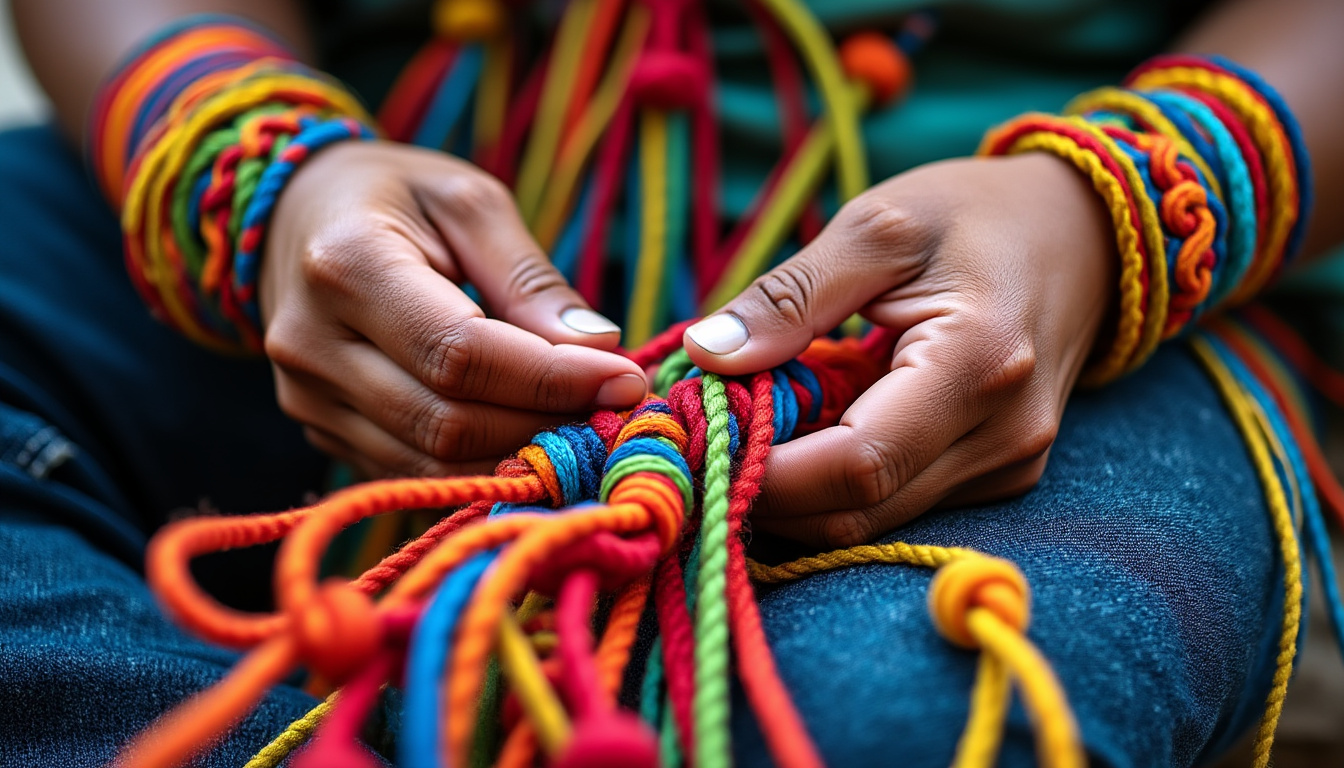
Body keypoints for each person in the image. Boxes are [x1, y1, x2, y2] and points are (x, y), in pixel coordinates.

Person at [1, 0, 1341, 765]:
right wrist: (263, 169)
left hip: (1051, 323)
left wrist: (1116, 209)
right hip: (351, 236)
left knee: (909, 725)